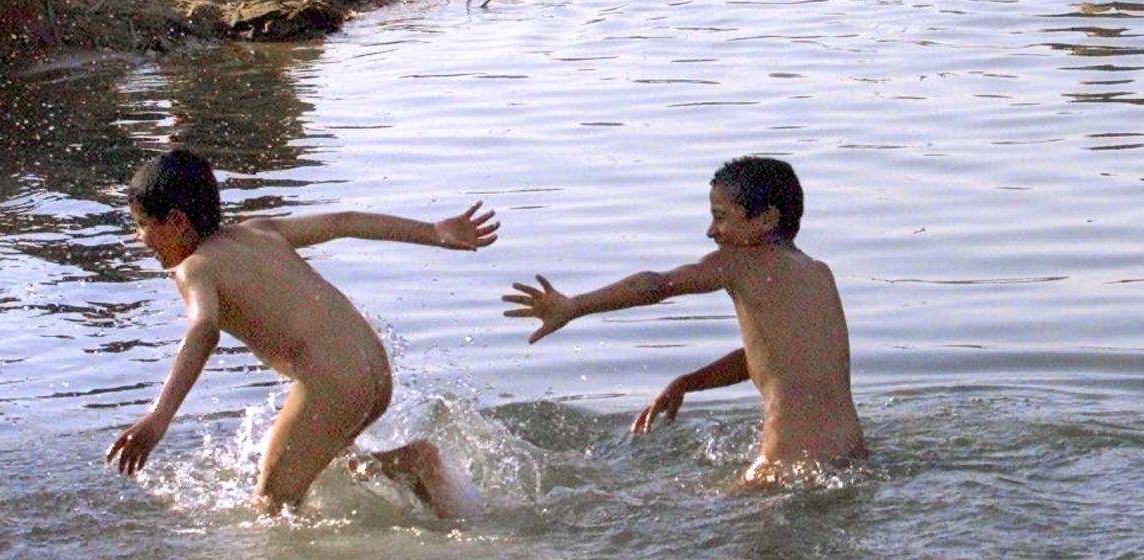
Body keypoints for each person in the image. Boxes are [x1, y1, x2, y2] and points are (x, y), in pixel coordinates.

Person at [109, 148, 497, 517]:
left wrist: (159, 416)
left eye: (143, 225)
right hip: (373, 367)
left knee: (270, 506)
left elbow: (204, 329)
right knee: (335, 467)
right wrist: (433, 231)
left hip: (332, 382)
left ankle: (412, 469)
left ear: (177, 222)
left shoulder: (195, 268)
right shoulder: (258, 231)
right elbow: (344, 223)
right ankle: (415, 470)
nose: (139, 238)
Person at [504, 156, 866, 481]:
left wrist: (575, 306)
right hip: (850, 459)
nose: (711, 232)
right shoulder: (818, 273)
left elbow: (657, 285)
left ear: (767, 219)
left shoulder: (737, 263)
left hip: (786, 467)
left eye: (720, 218)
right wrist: (689, 382)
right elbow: (780, 357)